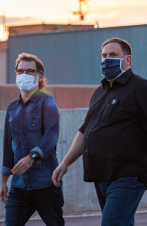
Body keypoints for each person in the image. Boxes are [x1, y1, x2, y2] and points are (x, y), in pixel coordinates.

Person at [52, 37, 147, 226]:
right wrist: (65, 163)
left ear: (127, 60)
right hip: (101, 175)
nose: (107, 59)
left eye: (113, 55)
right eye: (104, 56)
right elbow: (85, 130)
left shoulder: (140, 88)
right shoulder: (99, 92)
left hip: (128, 175)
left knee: (112, 223)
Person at [0, 53, 64, 226]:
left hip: (46, 185)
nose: (24, 75)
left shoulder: (48, 102)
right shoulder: (12, 108)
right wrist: (4, 181)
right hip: (19, 187)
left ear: (40, 76)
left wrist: (31, 157)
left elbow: (51, 136)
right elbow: (8, 146)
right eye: (20, 71)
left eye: (29, 71)